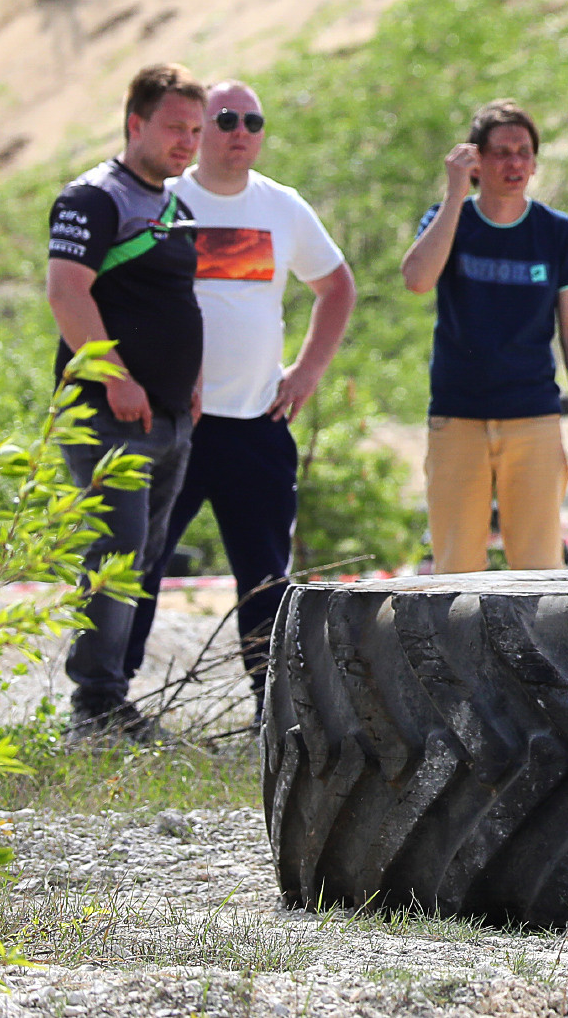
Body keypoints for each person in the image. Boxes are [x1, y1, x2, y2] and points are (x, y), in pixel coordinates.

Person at [128, 80, 355, 719]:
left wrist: (308, 371)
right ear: (199, 126)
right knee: (140, 563)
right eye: (226, 119)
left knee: (263, 575)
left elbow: (336, 286)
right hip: (174, 422)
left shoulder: (281, 206)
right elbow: (121, 292)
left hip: (257, 422)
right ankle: (109, 702)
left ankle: (271, 710)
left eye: (253, 121)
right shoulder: (164, 200)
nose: (240, 132)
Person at [43, 63, 206, 743]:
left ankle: (113, 698)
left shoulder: (173, 204)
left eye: (195, 130)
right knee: (115, 551)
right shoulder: (94, 197)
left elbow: (173, 303)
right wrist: (114, 375)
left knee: (143, 554)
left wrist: (188, 384)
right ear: (134, 122)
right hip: (108, 412)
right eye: (174, 126)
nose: (187, 142)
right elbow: (66, 292)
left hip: (167, 416)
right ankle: (94, 708)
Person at [399, 99, 568, 573]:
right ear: (477, 159)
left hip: (532, 418)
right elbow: (416, 279)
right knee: (455, 570)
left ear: (534, 162)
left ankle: (533, 653)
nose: (514, 163)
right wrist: (453, 194)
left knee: (539, 572)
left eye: (524, 152)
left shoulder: (557, 233)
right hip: (457, 418)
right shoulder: (449, 220)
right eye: (502, 152)